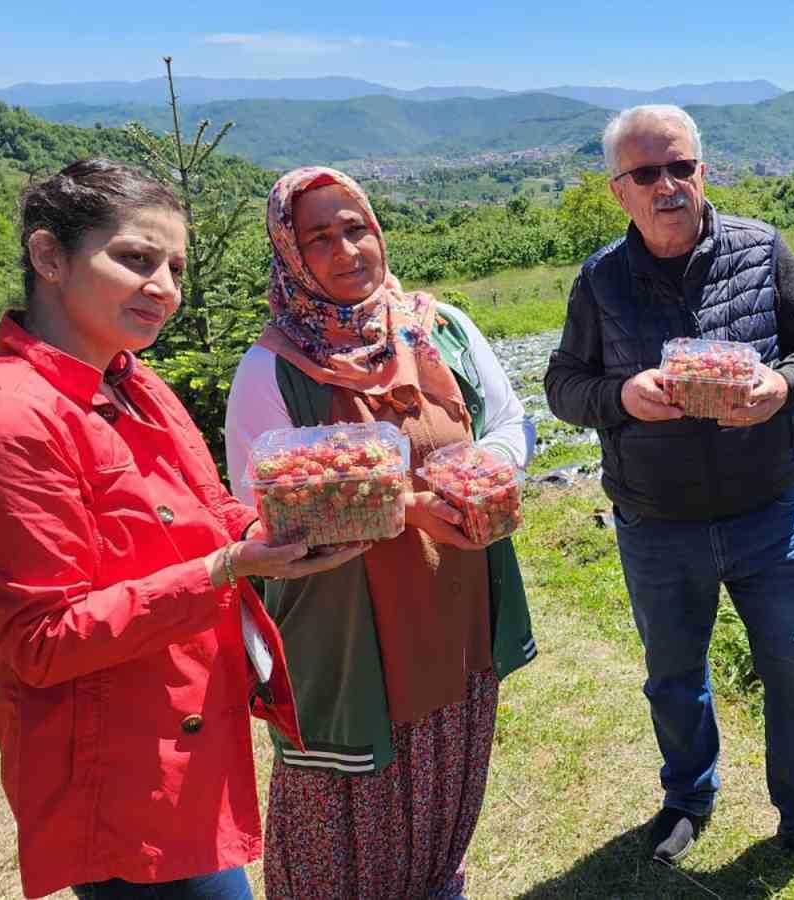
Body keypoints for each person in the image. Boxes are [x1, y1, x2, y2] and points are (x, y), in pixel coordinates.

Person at [0, 158, 368, 900]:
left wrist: (279, 526)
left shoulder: (128, 377)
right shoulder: (6, 425)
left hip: (178, 742)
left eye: (174, 266)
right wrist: (226, 567)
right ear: (48, 257)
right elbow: (41, 641)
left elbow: (198, 509)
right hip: (118, 775)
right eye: (134, 258)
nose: (162, 286)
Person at [544, 104, 794, 885]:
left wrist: (781, 385)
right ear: (619, 190)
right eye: (646, 173)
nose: (666, 185)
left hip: (769, 513)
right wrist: (623, 396)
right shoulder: (599, 281)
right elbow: (562, 385)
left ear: (701, 173)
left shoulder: (762, 250)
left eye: (679, 167)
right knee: (674, 672)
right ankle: (688, 797)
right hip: (657, 522)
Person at [223, 165, 537, 900]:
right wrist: (408, 506)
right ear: (291, 256)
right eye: (320, 238)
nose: (348, 250)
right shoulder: (271, 370)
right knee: (347, 811)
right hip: (349, 634)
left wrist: (484, 470)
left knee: (445, 779)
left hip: (453, 608)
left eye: (356, 227)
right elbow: (267, 505)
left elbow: (510, 424)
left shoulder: (442, 330)